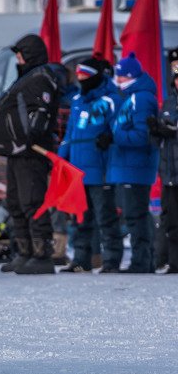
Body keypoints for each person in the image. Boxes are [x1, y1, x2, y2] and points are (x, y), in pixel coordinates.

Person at [0, 34, 61, 274]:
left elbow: (41, 112)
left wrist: (29, 136)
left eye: (20, 54)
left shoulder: (41, 78)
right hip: (16, 151)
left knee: (33, 201)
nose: (17, 59)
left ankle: (43, 255)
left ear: (31, 55)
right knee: (15, 202)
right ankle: (25, 251)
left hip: (31, 152)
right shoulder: (26, 78)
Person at [57, 58, 123, 273]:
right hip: (78, 169)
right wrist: (62, 159)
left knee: (106, 217)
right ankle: (80, 259)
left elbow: (120, 127)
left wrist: (109, 137)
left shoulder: (111, 99)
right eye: (79, 76)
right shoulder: (77, 99)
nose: (81, 80)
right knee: (80, 218)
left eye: (85, 76)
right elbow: (70, 133)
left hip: (100, 167)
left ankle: (112, 259)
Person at [107, 53, 159, 273]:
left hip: (136, 166)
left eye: (120, 77)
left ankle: (142, 260)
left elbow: (142, 136)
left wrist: (115, 138)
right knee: (133, 213)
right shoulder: (131, 97)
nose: (117, 81)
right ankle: (143, 258)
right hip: (128, 165)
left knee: (136, 214)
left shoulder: (142, 98)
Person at [149, 63, 178, 273]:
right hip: (170, 173)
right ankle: (174, 263)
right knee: (171, 220)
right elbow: (157, 141)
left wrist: (173, 131)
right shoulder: (168, 103)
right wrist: (156, 130)